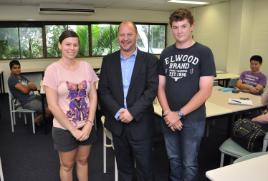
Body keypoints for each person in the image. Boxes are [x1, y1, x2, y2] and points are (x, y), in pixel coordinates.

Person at [157, 8, 216, 181]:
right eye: (175, 27)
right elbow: (160, 86)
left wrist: (180, 114)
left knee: (189, 162)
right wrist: (168, 113)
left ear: (192, 27)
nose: (179, 31)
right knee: (173, 159)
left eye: (183, 26)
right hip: (168, 118)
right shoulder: (166, 53)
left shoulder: (204, 52)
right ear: (171, 28)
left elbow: (206, 90)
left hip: (193, 119)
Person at [98, 21, 158, 181]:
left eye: (129, 34)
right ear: (118, 36)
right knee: (124, 170)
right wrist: (119, 112)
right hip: (118, 125)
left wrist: (132, 112)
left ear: (136, 35)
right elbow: (103, 91)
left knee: (145, 170)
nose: (125, 38)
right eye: (122, 35)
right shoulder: (108, 60)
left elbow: (151, 91)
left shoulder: (150, 60)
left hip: (141, 124)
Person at [43, 30, 98, 181]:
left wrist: (89, 123)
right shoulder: (52, 70)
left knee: (83, 161)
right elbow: (52, 105)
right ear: (59, 45)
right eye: (67, 44)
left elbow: (93, 96)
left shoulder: (86, 67)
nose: (71, 48)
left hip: (86, 125)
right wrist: (73, 130)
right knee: (67, 166)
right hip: (64, 129)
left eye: (75, 45)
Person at [8, 59, 50, 125]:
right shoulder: (12, 79)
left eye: (19, 67)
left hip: (34, 97)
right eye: (15, 68)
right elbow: (25, 91)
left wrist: (28, 86)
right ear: (11, 69)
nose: (17, 69)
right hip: (27, 102)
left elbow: (35, 87)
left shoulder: (21, 77)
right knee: (51, 110)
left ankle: (40, 115)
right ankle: (37, 120)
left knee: (51, 102)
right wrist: (29, 86)